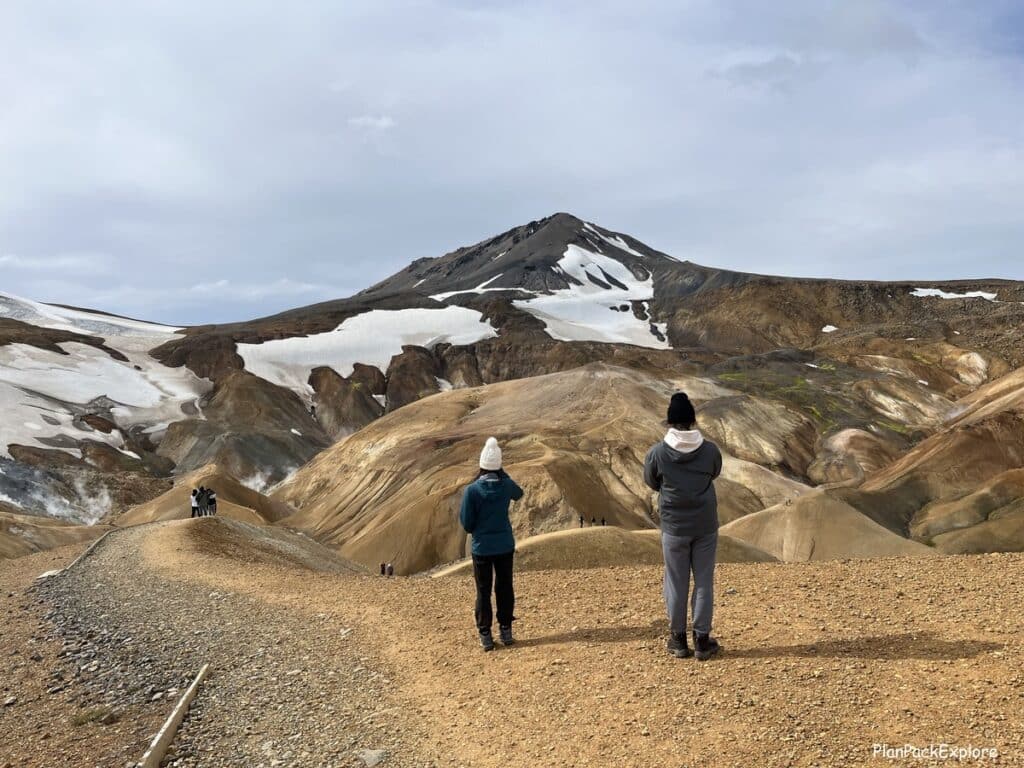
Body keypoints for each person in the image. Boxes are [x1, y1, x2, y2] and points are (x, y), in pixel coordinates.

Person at [643, 392, 723, 661]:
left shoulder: (657, 453)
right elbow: (714, 472)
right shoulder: (710, 450)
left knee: (676, 582)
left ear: (670, 422)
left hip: (674, 526)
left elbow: (652, 482)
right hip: (705, 525)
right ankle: (702, 640)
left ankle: (677, 639)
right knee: (703, 581)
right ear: (691, 421)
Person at [459, 436, 523, 652]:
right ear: (499, 465)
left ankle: (485, 634)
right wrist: (503, 473)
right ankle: (506, 629)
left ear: (481, 465)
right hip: (504, 545)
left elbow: (467, 524)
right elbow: (519, 493)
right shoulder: (506, 486)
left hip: (482, 549)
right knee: (505, 587)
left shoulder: (472, 491)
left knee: (483, 591)